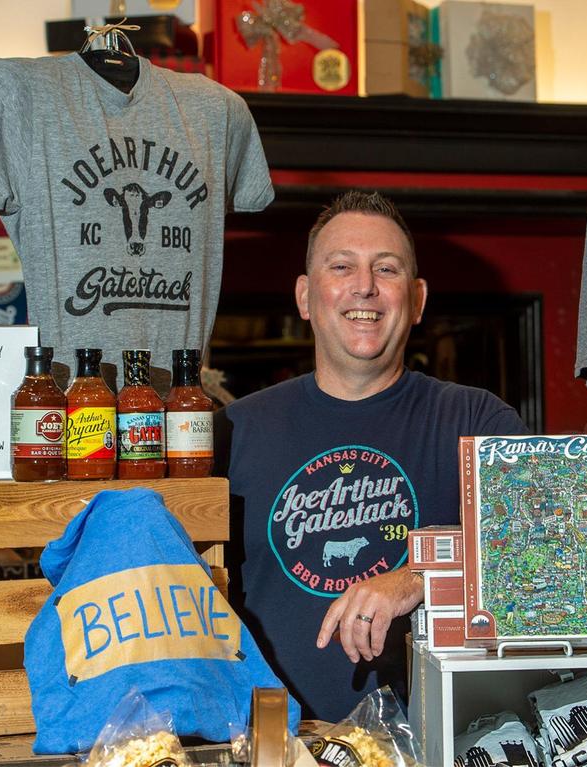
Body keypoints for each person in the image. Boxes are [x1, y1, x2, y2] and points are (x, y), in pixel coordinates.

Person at [215, 190, 527, 721]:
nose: (365, 286)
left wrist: (420, 578)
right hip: (276, 743)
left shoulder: (478, 422)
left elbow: (543, 560)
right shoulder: (233, 430)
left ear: (418, 299)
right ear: (305, 297)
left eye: (386, 268)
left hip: (439, 742)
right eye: (342, 266)